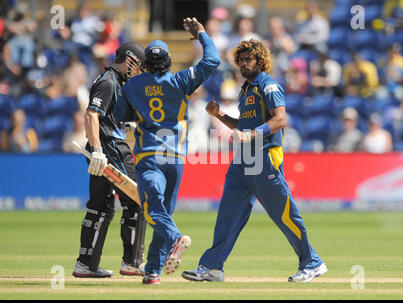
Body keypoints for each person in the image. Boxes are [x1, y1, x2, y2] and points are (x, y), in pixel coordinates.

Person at [182, 39, 327, 283]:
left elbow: (280, 120)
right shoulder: (246, 89)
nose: (244, 64)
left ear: (260, 61)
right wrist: (219, 115)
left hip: (264, 157)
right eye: (241, 60)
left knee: (283, 213)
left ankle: (312, 262)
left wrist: (250, 135)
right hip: (243, 160)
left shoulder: (268, 86)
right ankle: (212, 267)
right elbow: (244, 125)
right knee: (228, 214)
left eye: (249, 59)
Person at [113, 17, 220, 285]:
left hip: (149, 156)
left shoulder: (131, 86)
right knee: (163, 212)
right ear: (168, 60)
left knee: (152, 209)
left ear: (145, 61)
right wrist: (202, 35)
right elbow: (212, 61)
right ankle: (152, 271)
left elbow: (119, 116)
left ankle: (176, 238)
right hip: (175, 159)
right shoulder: (181, 80)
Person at [72, 41, 147, 278]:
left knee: (100, 207)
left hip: (104, 149)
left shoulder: (114, 81)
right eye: (138, 66)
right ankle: (132, 262)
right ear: (130, 59)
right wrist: (96, 149)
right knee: (138, 200)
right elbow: (91, 115)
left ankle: (86, 264)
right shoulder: (108, 81)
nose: (139, 71)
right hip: (111, 148)